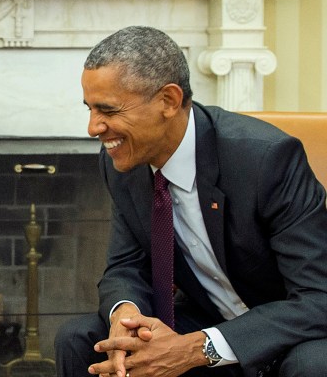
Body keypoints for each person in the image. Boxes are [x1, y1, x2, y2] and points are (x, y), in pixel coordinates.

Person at [54, 26, 327, 377]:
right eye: (90, 109)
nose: (93, 127)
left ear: (168, 101)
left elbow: (318, 296)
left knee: (314, 365)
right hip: (207, 316)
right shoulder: (123, 164)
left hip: (288, 332)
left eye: (108, 110)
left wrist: (197, 349)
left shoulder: (266, 160)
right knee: (81, 339)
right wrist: (126, 314)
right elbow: (125, 266)